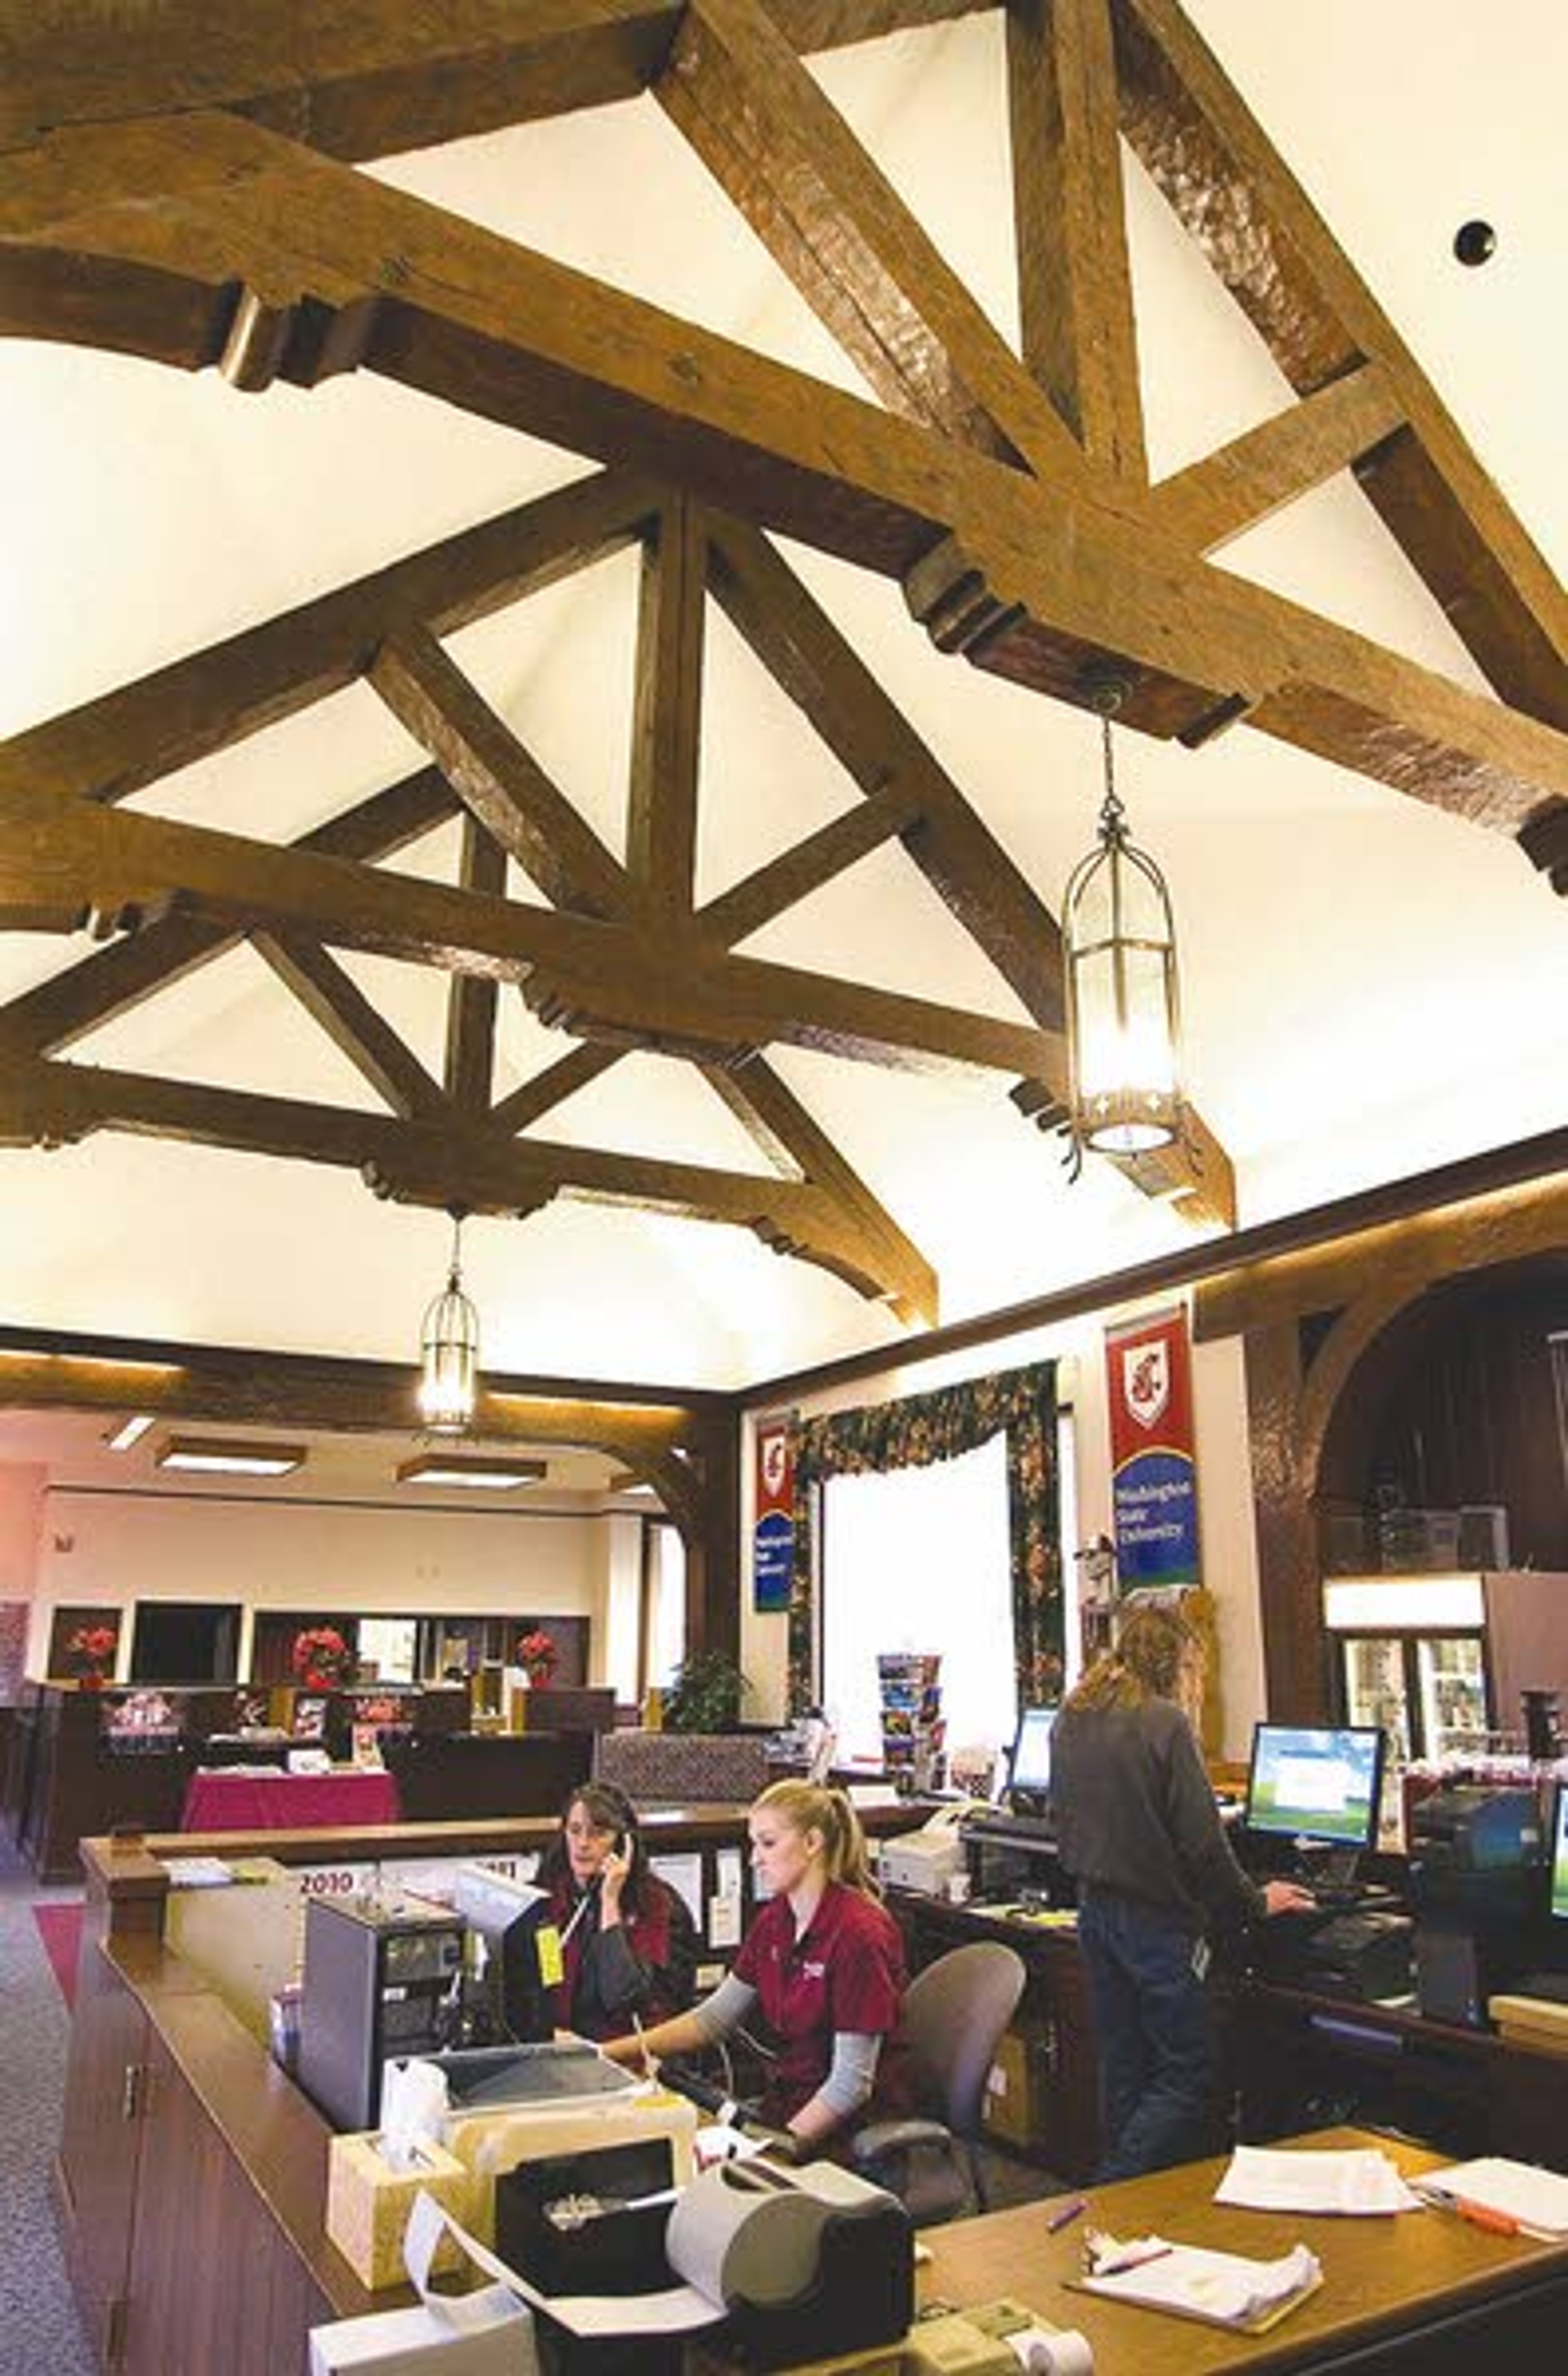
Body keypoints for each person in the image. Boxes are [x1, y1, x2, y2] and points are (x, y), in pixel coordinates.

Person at [1051, 1602, 1314, 2181]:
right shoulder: (1164, 1721)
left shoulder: (1072, 1716)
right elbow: (1202, 1846)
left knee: (1125, 2066)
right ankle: (1115, 2186)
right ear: (1178, 1661)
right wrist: (1254, 1901)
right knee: (1190, 2069)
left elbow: (1057, 1816)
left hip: (1095, 1914)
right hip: (1157, 1924)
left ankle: (1127, 2213)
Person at [601, 1779, 913, 2158]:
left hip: (849, 2140)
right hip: (786, 2113)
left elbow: (851, 2085)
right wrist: (608, 2053)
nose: (754, 1859)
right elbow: (714, 2019)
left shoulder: (860, 1935)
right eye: (754, 1844)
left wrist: (770, 2151)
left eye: (768, 1844)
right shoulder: (775, 1921)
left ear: (813, 1843)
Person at [534, 1780, 698, 2042]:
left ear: (624, 1844)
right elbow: (543, 1978)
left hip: (632, 2054)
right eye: (575, 1831)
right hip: (561, 2047)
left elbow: (623, 1997)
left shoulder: (656, 1906)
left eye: (599, 1833)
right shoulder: (554, 1898)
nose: (583, 1844)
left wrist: (610, 1900)